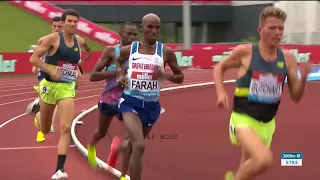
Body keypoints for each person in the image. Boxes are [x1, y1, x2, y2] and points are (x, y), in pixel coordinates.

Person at [213, 7, 311, 180]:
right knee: (263, 160)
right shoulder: (245, 52)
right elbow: (219, 68)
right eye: (272, 28)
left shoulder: (288, 58)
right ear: (260, 30)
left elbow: (296, 97)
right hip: (242, 119)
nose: (277, 32)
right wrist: (221, 93)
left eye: (280, 28)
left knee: (249, 168)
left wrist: (302, 79)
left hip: (267, 123)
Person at [115, 13, 184, 180]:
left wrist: (164, 75)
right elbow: (119, 61)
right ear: (142, 28)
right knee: (139, 145)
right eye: (150, 27)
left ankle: (121, 154)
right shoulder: (129, 50)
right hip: (130, 102)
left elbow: (180, 77)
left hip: (152, 106)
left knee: (132, 147)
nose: (154, 31)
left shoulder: (166, 52)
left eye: (157, 27)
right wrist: (120, 75)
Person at [26, 9, 88, 179]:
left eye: (75, 22)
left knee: (66, 127)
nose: (72, 24)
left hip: (66, 88)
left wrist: (78, 73)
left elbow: (72, 63)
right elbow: (33, 59)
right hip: (48, 86)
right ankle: (37, 111)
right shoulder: (52, 39)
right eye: (69, 21)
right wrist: (50, 70)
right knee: (45, 129)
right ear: (64, 22)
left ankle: (59, 169)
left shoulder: (79, 41)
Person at [87, 22, 138, 169]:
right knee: (101, 132)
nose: (132, 37)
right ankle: (91, 145)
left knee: (133, 138)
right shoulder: (110, 51)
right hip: (109, 100)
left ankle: (120, 162)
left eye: (135, 34)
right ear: (120, 35)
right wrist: (116, 73)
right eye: (129, 34)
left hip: (128, 101)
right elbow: (93, 76)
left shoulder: (138, 54)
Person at [29, 16, 63, 142]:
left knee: (59, 101)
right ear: (52, 26)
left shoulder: (68, 42)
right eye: (55, 26)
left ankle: (49, 122)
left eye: (60, 26)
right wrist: (34, 66)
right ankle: (41, 129)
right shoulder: (43, 40)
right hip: (44, 72)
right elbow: (36, 54)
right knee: (47, 101)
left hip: (60, 73)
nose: (57, 28)